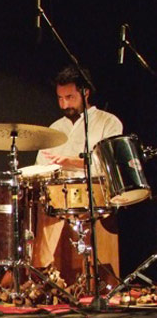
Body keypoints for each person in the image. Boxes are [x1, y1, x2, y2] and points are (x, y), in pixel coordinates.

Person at [32, 65, 122, 283]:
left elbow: (107, 165)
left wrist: (70, 161)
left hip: (97, 197)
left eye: (70, 97)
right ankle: (44, 277)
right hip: (58, 199)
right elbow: (41, 166)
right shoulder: (54, 128)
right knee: (40, 204)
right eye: (60, 98)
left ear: (85, 92)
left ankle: (96, 280)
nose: (64, 104)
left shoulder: (108, 122)